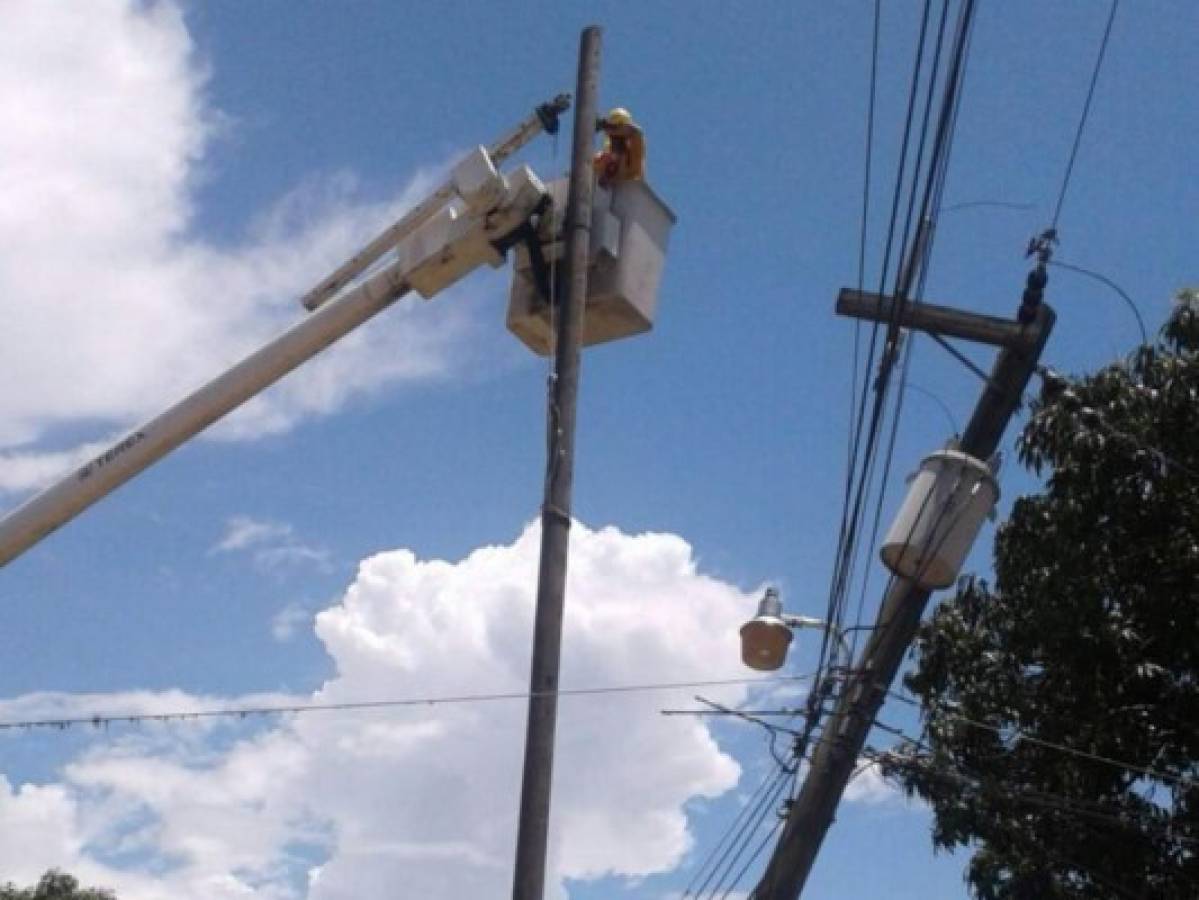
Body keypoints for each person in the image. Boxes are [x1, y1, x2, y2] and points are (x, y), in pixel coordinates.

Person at [593, 107, 645, 188]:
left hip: (628, 195)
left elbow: (636, 132)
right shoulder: (602, 159)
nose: (616, 140)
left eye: (617, 130)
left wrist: (607, 127)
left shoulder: (633, 162)